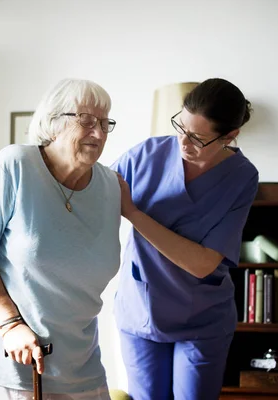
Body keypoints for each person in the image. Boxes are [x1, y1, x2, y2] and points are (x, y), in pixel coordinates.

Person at [0, 78, 121, 399]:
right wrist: (10, 325)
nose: (98, 133)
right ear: (53, 123)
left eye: (104, 123)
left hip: (80, 357)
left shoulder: (111, 185)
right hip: (10, 350)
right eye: (85, 121)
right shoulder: (13, 165)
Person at [111, 78, 259, 400]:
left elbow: (203, 262)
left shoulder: (242, 176)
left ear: (229, 137)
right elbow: (91, 200)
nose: (183, 141)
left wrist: (135, 214)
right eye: (181, 126)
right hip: (142, 308)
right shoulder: (145, 155)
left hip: (201, 318)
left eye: (198, 137)